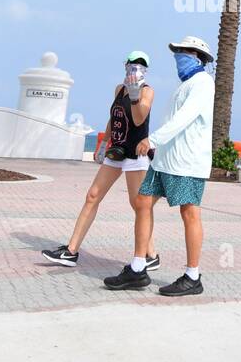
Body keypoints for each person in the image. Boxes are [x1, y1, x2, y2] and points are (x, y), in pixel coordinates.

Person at [104, 35, 214, 297]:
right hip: (164, 160)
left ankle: (192, 276)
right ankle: (138, 267)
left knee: (190, 213)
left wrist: (152, 139)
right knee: (142, 203)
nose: (179, 57)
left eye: (184, 52)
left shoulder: (203, 83)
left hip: (187, 162)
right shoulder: (184, 85)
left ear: (198, 57)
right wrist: (156, 148)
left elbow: (185, 119)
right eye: (177, 52)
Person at [42, 51, 160, 269]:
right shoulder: (118, 89)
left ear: (146, 70)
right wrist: (104, 143)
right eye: (132, 63)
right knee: (92, 195)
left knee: (138, 205)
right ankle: (71, 251)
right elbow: (114, 117)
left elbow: (138, 118)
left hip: (136, 154)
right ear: (125, 65)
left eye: (141, 65)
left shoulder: (147, 91)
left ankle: (150, 254)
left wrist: (135, 96)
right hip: (116, 151)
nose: (136, 68)